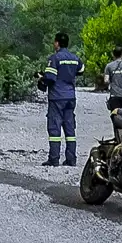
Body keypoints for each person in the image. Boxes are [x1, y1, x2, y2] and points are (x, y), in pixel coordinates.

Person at [38, 31, 83, 167]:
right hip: (70, 97)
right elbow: (81, 71)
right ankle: (71, 159)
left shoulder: (55, 58)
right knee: (70, 128)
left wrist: (41, 78)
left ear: (57, 43)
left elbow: (50, 78)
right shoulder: (75, 58)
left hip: (57, 97)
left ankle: (54, 158)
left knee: (54, 128)